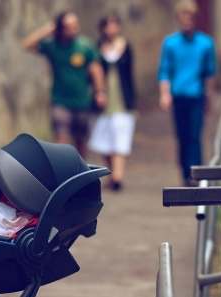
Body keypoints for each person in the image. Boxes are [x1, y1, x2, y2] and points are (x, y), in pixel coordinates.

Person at [23, 11, 107, 156]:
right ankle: (64, 172)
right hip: (60, 101)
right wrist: (48, 29)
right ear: (60, 29)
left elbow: (96, 70)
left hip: (82, 101)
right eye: (69, 27)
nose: (74, 29)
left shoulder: (85, 46)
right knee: (61, 141)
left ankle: (80, 170)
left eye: (75, 26)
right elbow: (27, 44)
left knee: (81, 142)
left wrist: (99, 92)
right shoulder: (52, 46)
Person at [157, 0, 217, 185]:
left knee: (194, 136)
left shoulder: (205, 43)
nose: (187, 20)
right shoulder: (170, 43)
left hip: (196, 96)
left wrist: (210, 97)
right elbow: (165, 71)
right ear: (178, 18)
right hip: (178, 96)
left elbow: (209, 73)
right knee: (182, 136)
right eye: (184, 16)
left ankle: (195, 173)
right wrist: (164, 94)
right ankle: (184, 172)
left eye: (190, 16)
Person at [88, 14, 137, 191]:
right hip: (103, 101)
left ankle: (117, 177)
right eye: (108, 26)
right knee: (104, 139)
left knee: (121, 137)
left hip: (122, 99)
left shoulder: (126, 47)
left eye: (114, 25)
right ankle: (112, 173)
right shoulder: (96, 48)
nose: (111, 30)